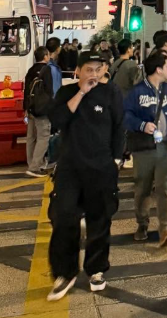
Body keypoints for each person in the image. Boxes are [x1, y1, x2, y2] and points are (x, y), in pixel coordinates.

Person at [46, 51, 125, 301]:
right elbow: (58, 120)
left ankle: (96, 269)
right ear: (78, 71)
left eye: (98, 69)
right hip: (70, 168)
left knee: (99, 221)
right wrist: (81, 92)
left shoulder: (111, 93)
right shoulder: (67, 92)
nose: (94, 74)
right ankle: (65, 272)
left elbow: (119, 127)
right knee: (63, 217)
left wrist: (117, 159)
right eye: (88, 69)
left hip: (101, 168)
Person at [123, 52, 167, 248]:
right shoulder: (137, 92)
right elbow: (125, 116)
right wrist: (142, 125)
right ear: (159, 69)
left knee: (164, 188)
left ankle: (166, 229)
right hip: (144, 148)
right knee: (142, 189)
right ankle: (142, 223)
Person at [23, 46, 53, 178]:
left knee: (31, 137)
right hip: (42, 109)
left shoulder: (31, 70)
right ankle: (35, 167)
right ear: (45, 56)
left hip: (31, 108)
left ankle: (31, 163)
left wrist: (25, 108)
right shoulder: (47, 70)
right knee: (43, 137)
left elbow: (26, 90)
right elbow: (49, 91)